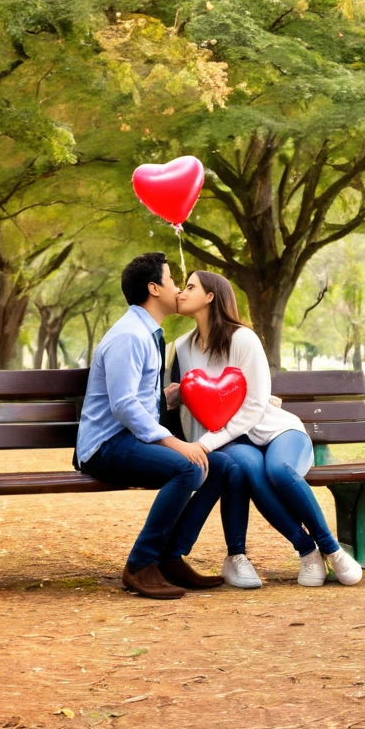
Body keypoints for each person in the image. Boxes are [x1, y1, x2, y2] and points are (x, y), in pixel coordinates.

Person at [172, 271, 363, 590]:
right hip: (236, 441)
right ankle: (306, 551)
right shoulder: (182, 347)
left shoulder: (242, 338)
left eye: (190, 287)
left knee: (278, 469)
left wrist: (206, 443)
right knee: (247, 470)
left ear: (210, 296)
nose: (181, 292)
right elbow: (190, 404)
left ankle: (330, 547)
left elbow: (255, 404)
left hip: (278, 432)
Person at [76, 253, 242, 600]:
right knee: (185, 467)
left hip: (129, 438)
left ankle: (170, 558)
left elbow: (132, 398)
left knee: (223, 466)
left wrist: (166, 398)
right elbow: (122, 405)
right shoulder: (129, 336)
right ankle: (140, 564)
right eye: (171, 280)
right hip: (106, 446)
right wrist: (174, 443)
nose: (178, 289)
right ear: (154, 288)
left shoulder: (148, 333)